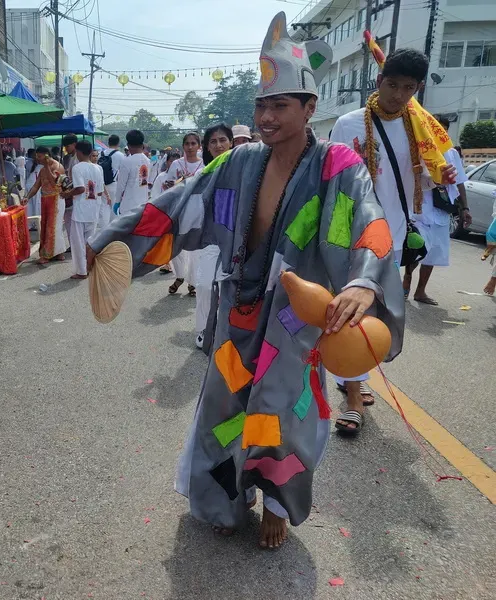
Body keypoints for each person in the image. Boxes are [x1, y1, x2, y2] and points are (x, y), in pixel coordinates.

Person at [86, 13, 404, 548]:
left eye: (280, 105)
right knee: (225, 408)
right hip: (238, 310)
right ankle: (225, 497)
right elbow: (176, 204)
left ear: (309, 108)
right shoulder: (239, 162)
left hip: (294, 321)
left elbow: (370, 220)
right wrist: (110, 241)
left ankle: (277, 502)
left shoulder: (338, 164)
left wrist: (364, 282)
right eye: (261, 105)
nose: (267, 116)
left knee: (281, 411)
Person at [330, 48, 457, 433]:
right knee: (355, 310)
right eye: (392, 84)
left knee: (379, 311)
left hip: (395, 234)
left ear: (417, 89)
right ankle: (353, 395)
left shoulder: (419, 129)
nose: (399, 95)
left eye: (408, 88)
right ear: (378, 81)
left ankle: (352, 372)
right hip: (354, 233)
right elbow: (332, 181)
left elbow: (422, 180)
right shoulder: (349, 124)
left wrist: (442, 176)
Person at [402, 115, 470, 304]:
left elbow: (461, 182)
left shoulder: (451, 153)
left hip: (442, 209)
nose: (442, 132)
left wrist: (465, 207)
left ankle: (420, 291)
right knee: (417, 248)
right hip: (420, 207)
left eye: (445, 129)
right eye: (438, 128)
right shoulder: (419, 148)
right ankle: (406, 280)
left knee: (434, 253)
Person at [192, 123, 234, 349]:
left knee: (232, 289)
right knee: (205, 285)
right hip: (212, 240)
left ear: (231, 142)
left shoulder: (245, 171)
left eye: (223, 140)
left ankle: (227, 333)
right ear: (207, 147)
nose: (219, 145)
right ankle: (203, 330)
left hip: (240, 241)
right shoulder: (203, 174)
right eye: (213, 141)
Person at [166, 132, 205, 298]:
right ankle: (180, 276)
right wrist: (179, 183)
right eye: (187, 144)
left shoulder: (205, 164)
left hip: (197, 209)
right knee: (177, 245)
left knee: (196, 248)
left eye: (193, 144)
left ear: (199, 146)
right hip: (178, 209)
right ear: (183, 146)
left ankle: (193, 282)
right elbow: (168, 185)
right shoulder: (176, 164)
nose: (190, 147)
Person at [25, 146, 66, 263]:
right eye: (36, 156)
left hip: (56, 199)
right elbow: (36, 186)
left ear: (47, 155)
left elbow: (54, 182)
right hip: (45, 200)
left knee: (54, 227)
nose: (37, 159)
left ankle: (48, 255)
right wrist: (26, 197)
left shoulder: (58, 167)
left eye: (40, 156)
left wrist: (47, 166)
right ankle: (58, 252)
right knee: (46, 226)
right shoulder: (42, 170)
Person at [65, 141, 100, 280]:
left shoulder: (77, 167)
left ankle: (81, 271)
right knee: (90, 241)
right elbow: (100, 191)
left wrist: (66, 194)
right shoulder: (98, 168)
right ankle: (90, 266)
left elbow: (80, 188)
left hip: (80, 210)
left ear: (79, 152)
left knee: (78, 242)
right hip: (93, 208)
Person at [114, 129, 152, 217]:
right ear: (142, 145)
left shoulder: (126, 162)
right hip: (143, 204)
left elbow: (121, 185)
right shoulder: (148, 161)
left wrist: (117, 202)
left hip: (128, 206)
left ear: (128, 145)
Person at [90, 148, 112, 232]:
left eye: (96, 156)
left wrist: (107, 195)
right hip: (89, 196)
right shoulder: (85, 167)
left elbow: (102, 183)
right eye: (93, 156)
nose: (95, 158)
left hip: (97, 196)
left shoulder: (99, 168)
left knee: (97, 218)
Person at [103, 134, 125, 220]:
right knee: (113, 208)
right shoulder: (120, 155)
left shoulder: (101, 153)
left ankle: (103, 228)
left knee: (104, 207)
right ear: (118, 143)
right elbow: (122, 173)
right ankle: (111, 228)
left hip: (102, 185)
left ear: (108, 142)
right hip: (113, 184)